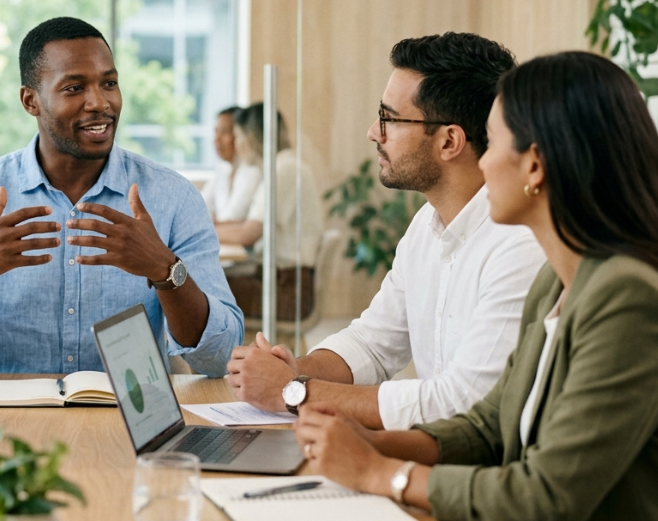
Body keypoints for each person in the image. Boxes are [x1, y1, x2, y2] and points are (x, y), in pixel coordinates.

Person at [295, 51, 658, 520]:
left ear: (535, 166)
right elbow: (490, 425)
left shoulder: (626, 298)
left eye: (494, 144)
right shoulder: (557, 282)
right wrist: (375, 443)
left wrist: (379, 473)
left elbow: (547, 495)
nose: (481, 164)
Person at [227, 33, 546, 429]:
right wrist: (295, 368)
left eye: (389, 119)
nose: (374, 133)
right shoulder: (425, 226)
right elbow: (373, 344)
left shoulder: (520, 244)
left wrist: (296, 391)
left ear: (449, 141)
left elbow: (463, 403)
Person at [0, 16, 243, 376]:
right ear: (30, 101)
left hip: (130, 425)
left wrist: (165, 270)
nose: (99, 102)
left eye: (109, 83)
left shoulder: (173, 197)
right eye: (74, 88)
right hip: (8, 426)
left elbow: (220, 358)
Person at [216, 102, 323, 320]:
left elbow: (248, 234)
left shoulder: (283, 169)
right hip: (280, 281)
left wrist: (201, 231)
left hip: (286, 290)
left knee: (196, 289)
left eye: (239, 136)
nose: (236, 145)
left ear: (252, 138)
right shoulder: (281, 166)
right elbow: (247, 225)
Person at [200, 106, 262, 223]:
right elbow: (198, 207)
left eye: (225, 132)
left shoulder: (252, 170)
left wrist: (210, 222)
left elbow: (235, 217)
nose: (217, 139)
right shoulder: (223, 170)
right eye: (216, 131)